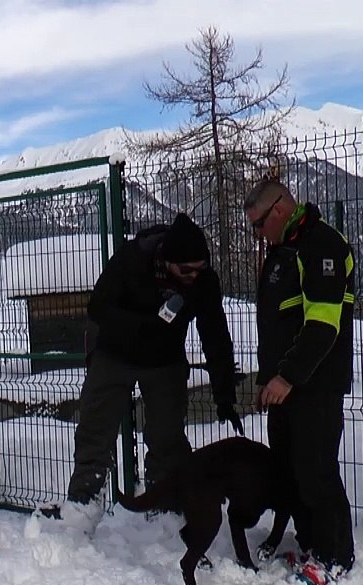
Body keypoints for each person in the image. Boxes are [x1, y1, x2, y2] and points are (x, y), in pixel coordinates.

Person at [58, 213, 241, 527]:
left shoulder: (203, 281)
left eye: (200, 268)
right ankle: (83, 504)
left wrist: (224, 395)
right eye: (186, 270)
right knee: (95, 427)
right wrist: (144, 325)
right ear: (168, 261)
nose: (194, 276)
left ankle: (166, 505)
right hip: (115, 353)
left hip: (165, 360)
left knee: (167, 435)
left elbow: (215, 336)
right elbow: (98, 307)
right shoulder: (131, 260)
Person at [246, 178, 356, 585]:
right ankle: (311, 545)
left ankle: (335, 557)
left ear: (278, 209)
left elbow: (323, 325)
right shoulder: (282, 252)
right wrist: (268, 380)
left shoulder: (322, 245)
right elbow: (277, 325)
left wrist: (287, 377)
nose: (258, 233)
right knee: (292, 469)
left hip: (316, 384)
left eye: (259, 224)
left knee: (316, 470)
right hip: (283, 387)